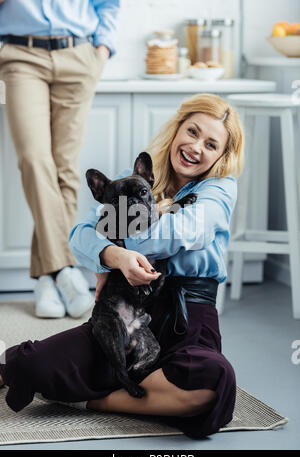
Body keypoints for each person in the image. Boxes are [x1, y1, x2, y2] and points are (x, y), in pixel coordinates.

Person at [0, 93, 244, 439]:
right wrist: (114, 257)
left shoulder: (218, 190)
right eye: (192, 132)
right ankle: (144, 391)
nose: (196, 147)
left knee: (213, 382)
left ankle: (94, 400)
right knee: (28, 365)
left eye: (211, 144)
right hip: (122, 310)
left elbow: (182, 231)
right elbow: (79, 236)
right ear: (176, 130)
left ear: (221, 155)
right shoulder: (134, 179)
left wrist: (114, 236)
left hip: (187, 316)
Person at [0, 0, 120, 318]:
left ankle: (45, 280)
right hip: (21, 54)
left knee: (64, 168)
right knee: (34, 159)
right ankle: (65, 267)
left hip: (79, 55)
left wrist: (102, 50)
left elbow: (108, 3)